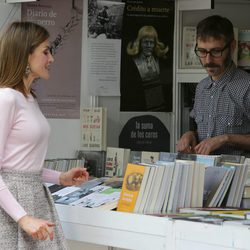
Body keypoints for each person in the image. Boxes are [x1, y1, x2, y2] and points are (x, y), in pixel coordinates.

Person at [0, 21, 89, 249]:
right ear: (25, 55)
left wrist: (61, 178)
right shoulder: (6, 98)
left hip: (36, 199)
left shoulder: (29, 98)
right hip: (11, 209)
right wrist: (23, 218)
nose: (51, 59)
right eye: (45, 51)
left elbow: (23, 167)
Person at [177, 15, 250, 156]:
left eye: (216, 51)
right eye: (202, 51)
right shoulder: (201, 87)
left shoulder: (246, 86)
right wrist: (190, 135)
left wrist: (225, 139)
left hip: (240, 176)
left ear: (232, 47)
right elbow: (203, 130)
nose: (208, 60)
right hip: (202, 173)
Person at [120, 25, 172, 111]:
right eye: (145, 42)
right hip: (139, 108)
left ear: (155, 44)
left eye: (151, 42)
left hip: (161, 109)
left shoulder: (162, 62)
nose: (148, 45)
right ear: (140, 43)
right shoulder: (132, 64)